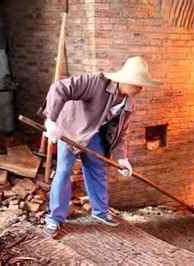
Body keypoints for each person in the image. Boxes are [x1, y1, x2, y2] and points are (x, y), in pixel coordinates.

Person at [38, 56, 162, 237]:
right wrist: (51, 121)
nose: (140, 89)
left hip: (94, 134)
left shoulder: (128, 104)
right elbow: (59, 88)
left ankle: (100, 212)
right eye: (137, 84)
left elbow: (121, 134)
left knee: (97, 169)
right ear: (124, 80)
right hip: (71, 130)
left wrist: (122, 157)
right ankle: (55, 218)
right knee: (64, 171)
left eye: (142, 85)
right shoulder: (96, 82)